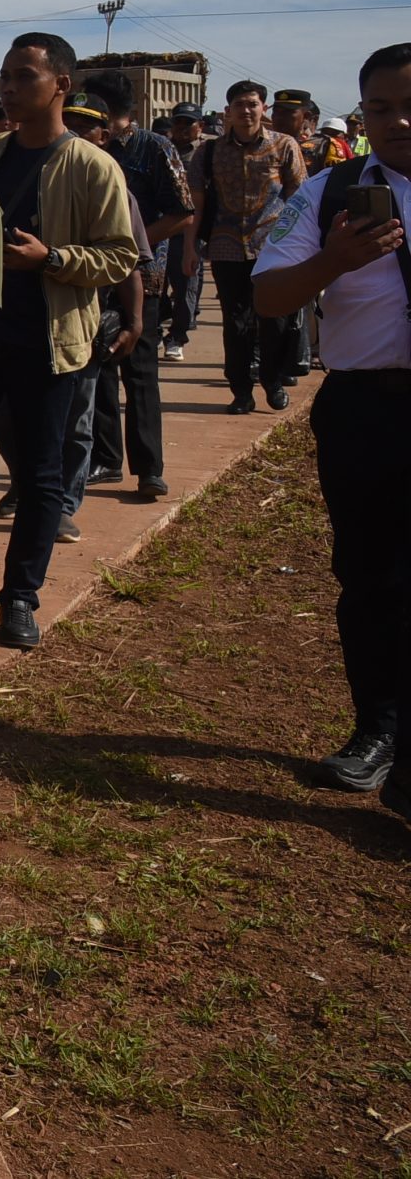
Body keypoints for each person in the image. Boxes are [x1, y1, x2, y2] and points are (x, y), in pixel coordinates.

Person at [0, 35, 137, 649]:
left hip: (51, 345)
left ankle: (20, 597)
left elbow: (121, 256)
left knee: (42, 477)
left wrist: (52, 259)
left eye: (23, 77)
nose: (8, 88)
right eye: (5, 77)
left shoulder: (94, 165)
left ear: (61, 86)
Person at [256, 44, 411, 822]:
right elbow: (269, 298)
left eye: (408, 105)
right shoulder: (330, 192)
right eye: (380, 108)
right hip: (366, 410)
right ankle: (376, 729)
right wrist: (334, 263)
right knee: (372, 576)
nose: (398, 121)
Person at [78, 70, 187, 499]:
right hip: (94, 280)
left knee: (139, 375)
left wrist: (129, 245)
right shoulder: (78, 148)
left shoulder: (153, 147)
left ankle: (149, 469)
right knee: (100, 373)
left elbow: (182, 212)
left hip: (145, 277)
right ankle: (106, 460)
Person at [189, 80, 310, 414]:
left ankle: (272, 380)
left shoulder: (284, 146)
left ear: (263, 109)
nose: (246, 111)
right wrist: (189, 247)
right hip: (226, 249)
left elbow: (300, 200)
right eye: (239, 105)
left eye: (252, 104)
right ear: (228, 111)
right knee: (236, 324)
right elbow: (196, 204)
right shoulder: (210, 150)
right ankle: (241, 390)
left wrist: (303, 247)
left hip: (274, 249)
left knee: (275, 320)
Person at [161, 101, 207, 360]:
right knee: (155, 286)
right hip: (161, 227)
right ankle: (158, 327)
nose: (181, 127)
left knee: (186, 288)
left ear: (199, 126)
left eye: (187, 123)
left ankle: (177, 337)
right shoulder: (162, 149)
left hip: (188, 231)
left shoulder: (204, 154)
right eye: (177, 121)